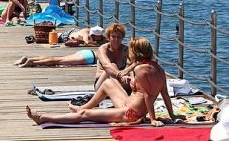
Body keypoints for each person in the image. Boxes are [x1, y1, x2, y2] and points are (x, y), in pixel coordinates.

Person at [26, 37, 185, 127]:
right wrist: (172, 115)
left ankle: (44, 117)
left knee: (85, 115)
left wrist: (152, 119)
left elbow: (147, 97)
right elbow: (164, 94)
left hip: (130, 113)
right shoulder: (158, 69)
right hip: (129, 104)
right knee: (108, 82)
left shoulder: (140, 70)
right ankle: (83, 106)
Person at [94, 22, 129, 91]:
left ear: (122, 38)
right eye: (113, 36)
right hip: (102, 82)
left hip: (120, 81)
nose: (116, 39)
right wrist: (120, 74)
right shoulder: (103, 49)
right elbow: (107, 65)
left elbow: (133, 63)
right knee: (112, 66)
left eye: (118, 37)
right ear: (108, 37)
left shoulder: (126, 50)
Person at [14, 49, 97, 68]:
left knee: (58, 58)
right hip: (90, 57)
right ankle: (32, 62)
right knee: (58, 61)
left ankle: (30, 59)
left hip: (87, 52)